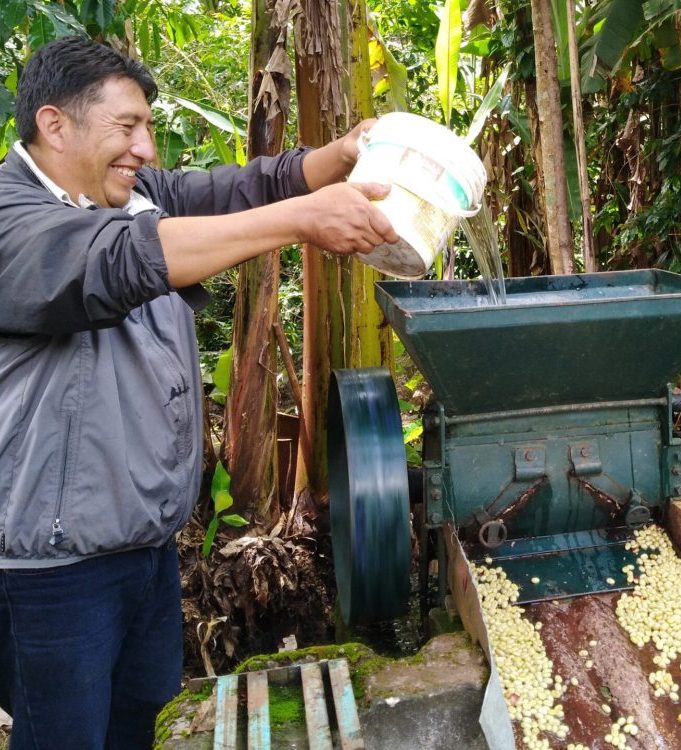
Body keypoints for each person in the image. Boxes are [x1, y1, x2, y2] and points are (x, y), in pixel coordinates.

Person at [0, 36, 399, 749]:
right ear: (54, 125)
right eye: (128, 127)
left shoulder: (131, 196)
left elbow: (243, 187)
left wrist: (340, 156)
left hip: (146, 550)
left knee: (138, 727)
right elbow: (119, 261)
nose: (146, 149)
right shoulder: (13, 220)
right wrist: (301, 222)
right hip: (53, 573)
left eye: (147, 127)